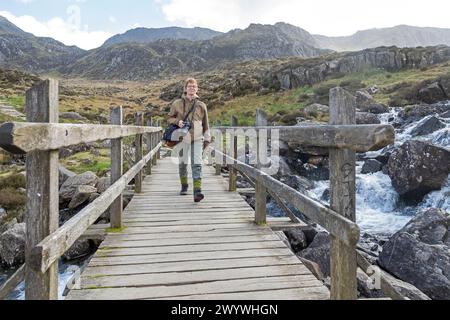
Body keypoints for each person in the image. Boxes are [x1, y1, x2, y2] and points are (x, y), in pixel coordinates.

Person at [167, 78, 211, 203]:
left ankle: (197, 191)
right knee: (182, 164)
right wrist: (177, 121)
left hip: (197, 138)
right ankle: (184, 185)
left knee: (197, 163)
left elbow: (206, 124)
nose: (192, 88)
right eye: (189, 86)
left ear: (197, 89)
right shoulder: (176, 103)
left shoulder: (202, 105)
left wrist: (207, 139)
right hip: (181, 138)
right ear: (185, 89)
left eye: (194, 86)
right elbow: (169, 118)